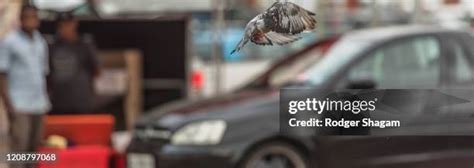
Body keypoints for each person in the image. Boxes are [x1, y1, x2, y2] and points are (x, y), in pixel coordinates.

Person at [0, 4, 50, 165]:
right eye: (26, 18)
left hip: (38, 103)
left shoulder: (40, 41)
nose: (30, 21)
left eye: (33, 17)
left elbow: (43, 73)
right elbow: (2, 74)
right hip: (19, 104)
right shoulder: (9, 42)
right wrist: (8, 105)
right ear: (20, 20)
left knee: (34, 149)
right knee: (19, 149)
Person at [48, 12, 100, 114]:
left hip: (81, 100)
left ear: (74, 24)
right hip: (59, 101)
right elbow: (48, 72)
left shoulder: (85, 44)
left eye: (68, 24)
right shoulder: (52, 46)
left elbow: (96, 70)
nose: (65, 28)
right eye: (61, 25)